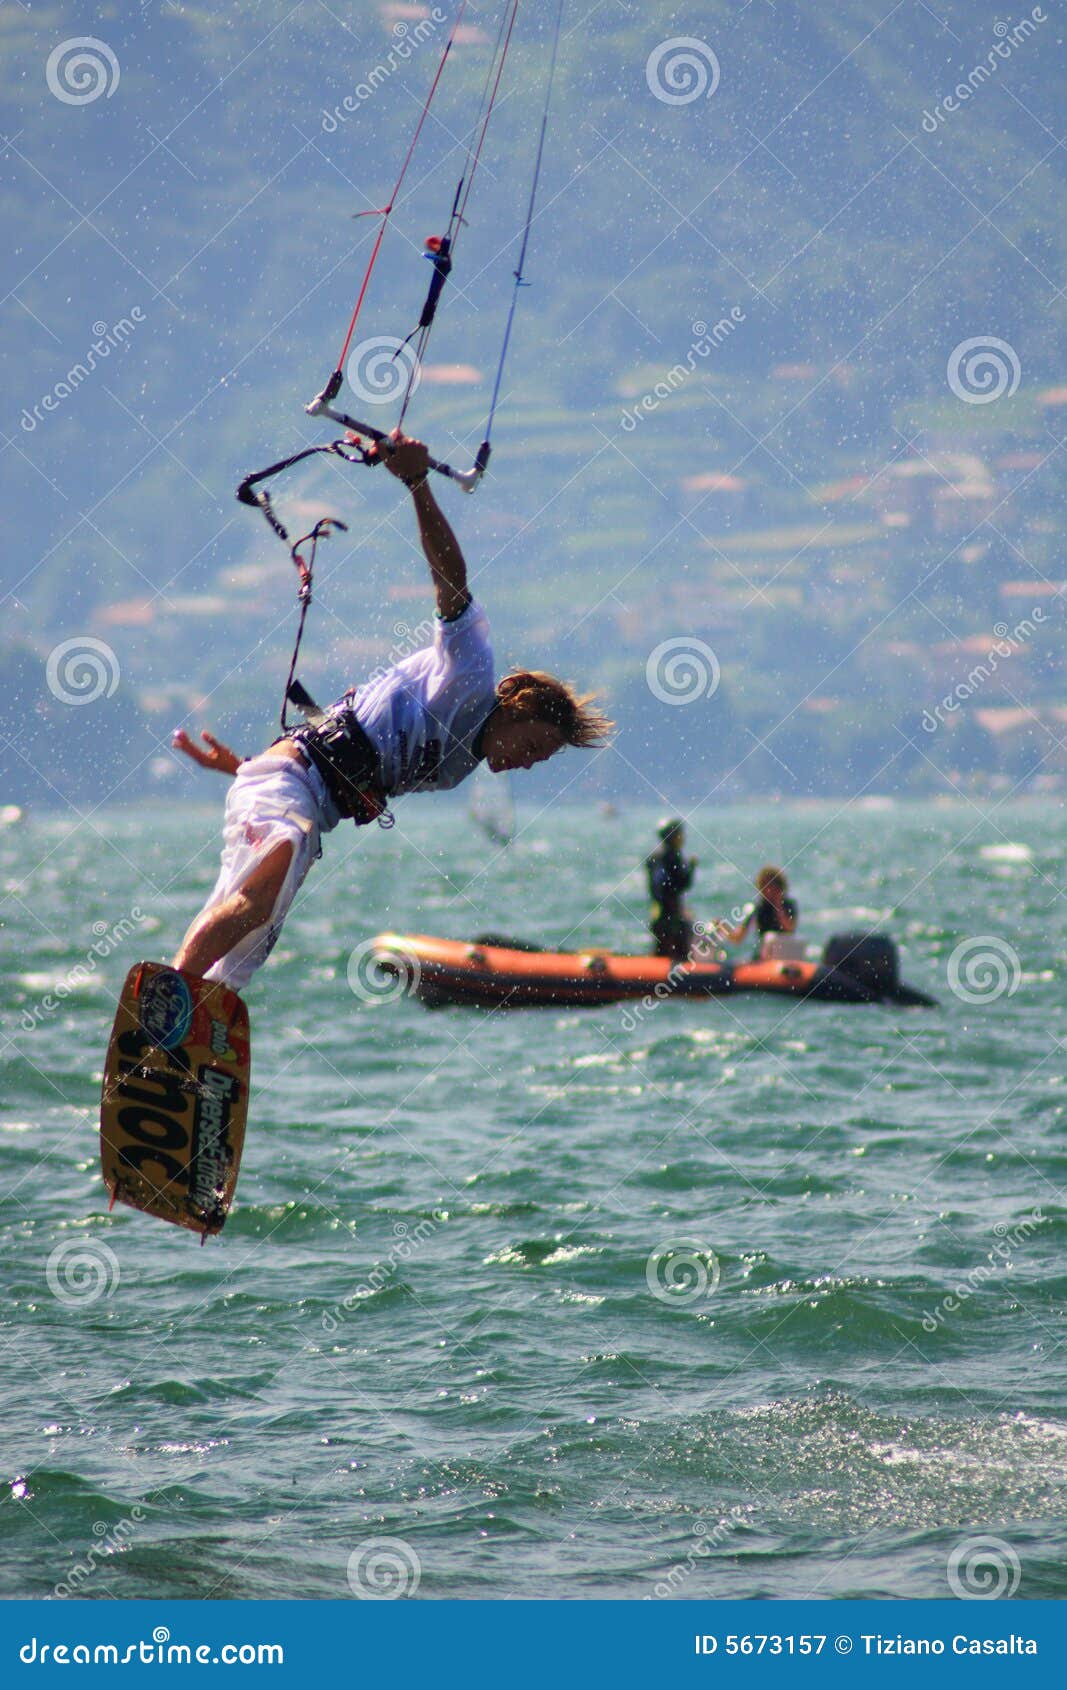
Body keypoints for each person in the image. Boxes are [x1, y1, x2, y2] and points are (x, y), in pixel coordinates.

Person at [171, 433, 612, 993]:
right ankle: (171, 996)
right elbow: (450, 578)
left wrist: (242, 770)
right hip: (289, 787)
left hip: (303, 805)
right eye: (531, 747)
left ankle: (186, 1035)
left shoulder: (457, 771)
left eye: (537, 762)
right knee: (256, 897)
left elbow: (348, 760)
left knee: (243, 953)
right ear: (516, 704)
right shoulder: (471, 669)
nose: (526, 764)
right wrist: (419, 483)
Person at [718, 865, 799, 959]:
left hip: (784, 952)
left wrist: (778, 905)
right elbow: (738, 937)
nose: (764, 890)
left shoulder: (788, 905)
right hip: (764, 955)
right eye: (762, 885)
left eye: (769, 885)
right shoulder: (759, 908)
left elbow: (789, 928)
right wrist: (723, 927)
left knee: (771, 937)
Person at [646, 817, 697, 961]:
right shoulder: (671, 857)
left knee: (661, 950)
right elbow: (680, 884)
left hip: (660, 912)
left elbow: (656, 888)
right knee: (679, 952)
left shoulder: (656, 857)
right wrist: (691, 868)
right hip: (670, 914)